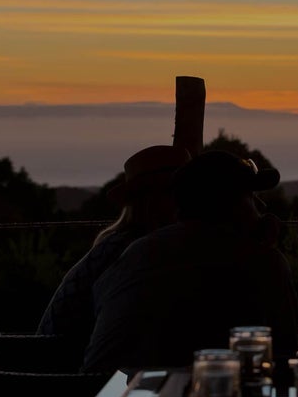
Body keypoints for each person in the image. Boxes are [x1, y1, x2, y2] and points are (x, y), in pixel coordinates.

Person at [82, 149, 298, 373]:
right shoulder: (260, 260)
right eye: (251, 198)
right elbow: (286, 358)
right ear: (230, 204)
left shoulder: (136, 253)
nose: (262, 208)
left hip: (97, 395)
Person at [36, 145, 190, 360]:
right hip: (69, 377)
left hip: (54, 365)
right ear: (158, 199)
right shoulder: (137, 252)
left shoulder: (117, 244)